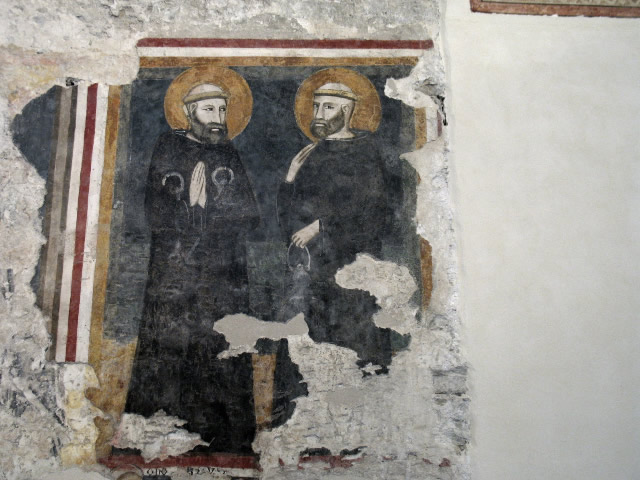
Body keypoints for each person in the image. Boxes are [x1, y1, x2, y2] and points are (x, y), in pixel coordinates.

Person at [124, 83, 261, 453]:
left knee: (218, 341)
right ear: (189, 113)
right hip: (175, 266)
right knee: (170, 338)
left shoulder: (228, 153)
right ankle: (161, 425)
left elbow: (249, 213)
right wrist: (185, 215)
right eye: (209, 109)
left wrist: (216, 213)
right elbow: (153, 207)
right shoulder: (168, 147)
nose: (218, 118)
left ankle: (224, 433)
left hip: (220, 271)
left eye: (222, 110)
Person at [277, 82, 400, 372]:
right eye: (316, 106)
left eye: (328, 107)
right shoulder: (312, 153)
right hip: (316, 269)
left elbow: (375, 212)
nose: (319, 113)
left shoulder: (367, 151)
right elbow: (289, 222)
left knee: (356, 344)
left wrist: (321, 226)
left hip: (354, 268)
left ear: (346, 111)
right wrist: (290, 178)